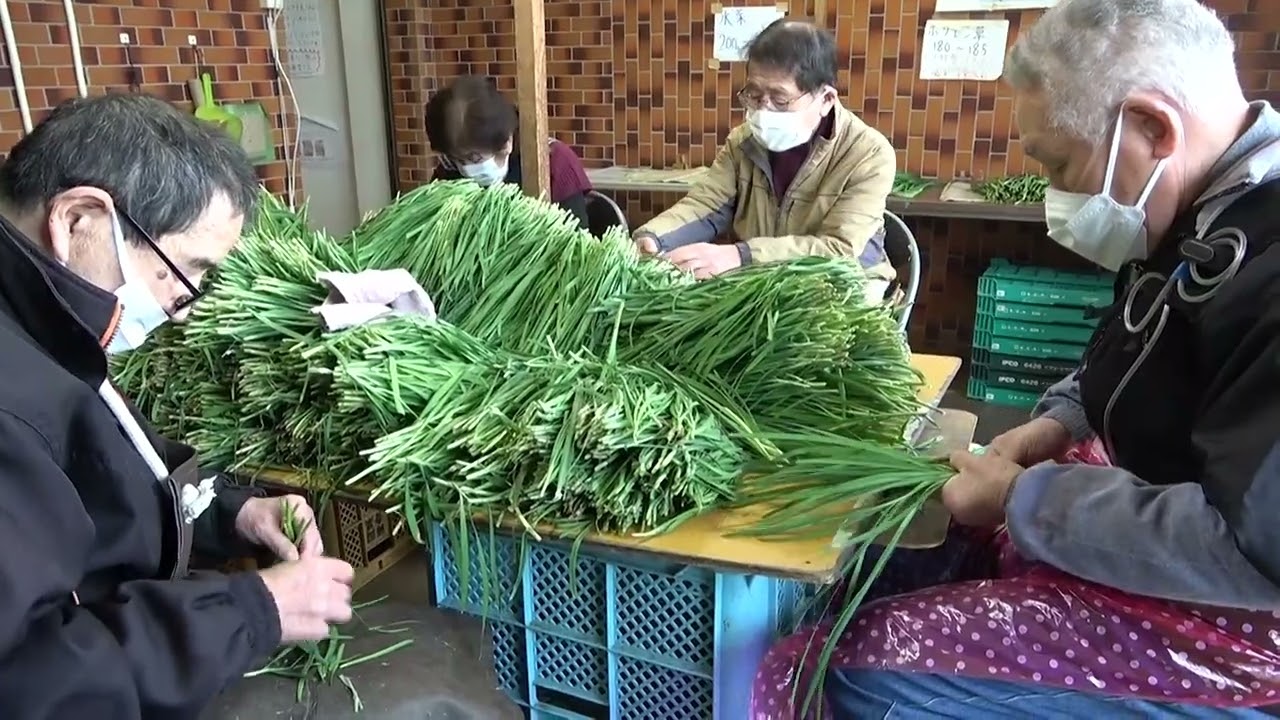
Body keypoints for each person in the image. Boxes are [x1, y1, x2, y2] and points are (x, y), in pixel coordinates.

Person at [752, 0, 1280, 716]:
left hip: (1240, 634)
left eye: (1059, 164)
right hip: (1163, 511)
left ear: (1153, 128)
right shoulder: (1202, 210)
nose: (1058, 194)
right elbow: (1131, 348)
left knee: (848, 670)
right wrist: (1060, 421)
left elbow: (1251, 546)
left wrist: (1019, 498)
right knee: (931, 543)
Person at [0, 93, 355, 719]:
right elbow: (33, 680)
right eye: (184, 272)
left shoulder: (48, 323)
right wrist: (251, 612)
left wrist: (232, 513)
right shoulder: (11, 400)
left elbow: (109, 475)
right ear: (78, 219)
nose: (183, 308)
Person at [631, 19, 897, 303]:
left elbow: (838, 250)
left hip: (843, 285)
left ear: (826, 99)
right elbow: (706, 204)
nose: (763, 110)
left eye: (780, 100)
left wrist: (741, 256)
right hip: (761, 277)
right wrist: (655, 237)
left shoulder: (868, 153)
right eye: (755, 95)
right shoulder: (743, 142)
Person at [425, 75, 594, 229]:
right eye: (459, 160)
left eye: (474, 158)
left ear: (506, 143)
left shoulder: (555, 162)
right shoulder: (449, 167)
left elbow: (575, 237)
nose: (467, 168)